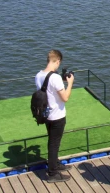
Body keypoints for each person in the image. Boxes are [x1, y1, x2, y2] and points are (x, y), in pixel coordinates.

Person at [35, 50, 74, 183]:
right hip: (57, 116)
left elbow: (48, 91)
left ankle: (55, 164)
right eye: (59, 63)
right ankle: (52, 173)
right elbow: (65, 97)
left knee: (52, 141)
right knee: (54, 144)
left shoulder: (38, 75)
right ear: (57, 61)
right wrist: (70, 83)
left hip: (46, 115)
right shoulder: (55, 78)